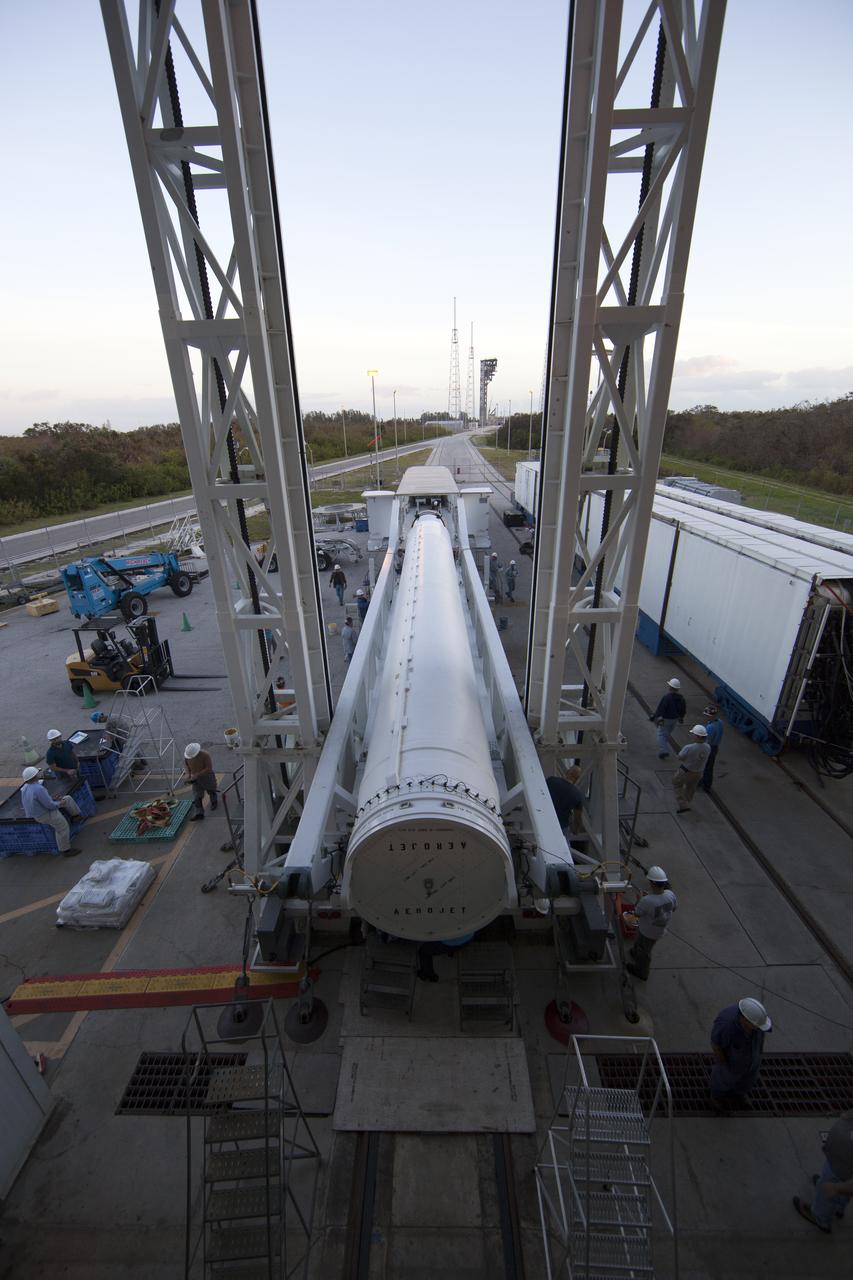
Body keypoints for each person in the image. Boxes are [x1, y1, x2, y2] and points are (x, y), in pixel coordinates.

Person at [793, 1110, 853, 1233]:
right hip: (842, 1162)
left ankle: (820, 1217)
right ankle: (838, 1207)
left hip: (843, 1166)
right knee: (835, 1183)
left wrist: (837, 1188)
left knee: (828, 1187)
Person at [709, 997, 771, 1110]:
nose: (758, 1028)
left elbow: (760, 1039)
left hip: (752, 1060)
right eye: (756, 1026)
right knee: (723, 1080)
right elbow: (716, 1044)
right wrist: (723, 1063)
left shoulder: (757, 1022)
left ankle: (739, 1094)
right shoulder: (726, 1025)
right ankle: (717, 1097)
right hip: (732, 1065)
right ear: (745, 1020)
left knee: (748, 1079)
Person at [625, 866, 677, 981]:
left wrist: (639, 899)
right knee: (641, 945)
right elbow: (673, 908)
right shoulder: (670, 894)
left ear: (652, 884)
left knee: (645, 953)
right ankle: (635, 952)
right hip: (659, 931)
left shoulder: (647, 901)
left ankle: (641, 972)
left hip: (647, 932)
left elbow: (636, 914)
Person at [20, 765, 81, 857]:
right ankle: (65, 850)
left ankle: (76, 816)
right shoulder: (39, 788)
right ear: (35, 776)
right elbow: (50, 806)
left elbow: (37, 801)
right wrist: (60, 803)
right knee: (62, 827)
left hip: (37, 813)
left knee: (67, 798)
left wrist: (53, 798)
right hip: (45, 814)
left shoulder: (24, 788)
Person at [673, 725, 710, 813]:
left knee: (677, 784)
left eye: (693, 734)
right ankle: (688, 800)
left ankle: (682, 804)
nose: (692, 735)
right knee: (691, 787)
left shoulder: (689, 747)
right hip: (699, 772)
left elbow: (680, 757)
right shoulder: (708, 747)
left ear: (697, 736)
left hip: (686, 771)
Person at [649, 677, 686, 758]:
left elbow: (661, 708)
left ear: (670, 687)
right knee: (667, 733)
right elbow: (683, 709)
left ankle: (664, 750)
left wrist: (655, 716)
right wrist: (681, 717)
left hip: (666, 719)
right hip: (675, 719)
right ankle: (664, 746)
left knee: (661, 734)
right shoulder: (681, 698)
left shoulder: (667, 697)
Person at [183, 742, 218, 821]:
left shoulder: (205, 755)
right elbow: (187, 766)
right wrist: (188, 775)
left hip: (207, 777)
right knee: (197, 796)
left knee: (211, 790)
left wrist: (197, 774)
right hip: (196, 779)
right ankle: (199, 813)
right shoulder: (187, 756)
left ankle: (214, 801)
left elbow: (209, 768)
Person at [546, 770, 585, 837]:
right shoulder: (578, 794)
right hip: (562, 826)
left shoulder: (551, 780)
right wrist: (575, 830)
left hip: (545, 821)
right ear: (577, 779)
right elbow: (577, 818)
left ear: (567, 772)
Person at [700, 704, 723, 792]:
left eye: (706, 715)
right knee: (709, 766)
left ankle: (706, 784)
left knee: (707, 767)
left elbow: (707, 740)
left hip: (709, 748)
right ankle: (705, 781)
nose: (705, 717)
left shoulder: (710, 727)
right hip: (715, 747)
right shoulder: (720, 722)